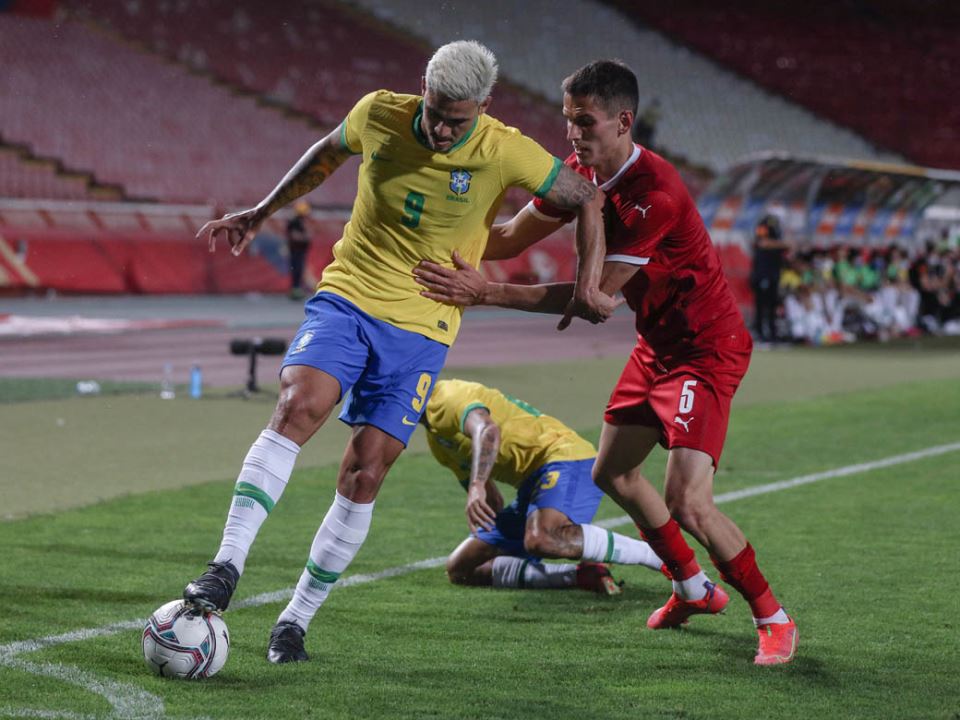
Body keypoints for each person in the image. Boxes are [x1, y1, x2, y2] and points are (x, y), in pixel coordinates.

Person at [186, 40, 611, 664]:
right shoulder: (379, 114)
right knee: (297, 405)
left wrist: (589, 285)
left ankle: (294, 621)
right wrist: (262, 210)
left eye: (457, 120)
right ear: (422, 87)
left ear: (483, 108)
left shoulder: (504, 148)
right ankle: (225, 566)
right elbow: (326, 152)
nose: (441, 128)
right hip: (350, 297)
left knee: (366, 472)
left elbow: (588, 197)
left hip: (422, 331)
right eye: (435, 111)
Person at [414, 60, 798, 665]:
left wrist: (485, 293)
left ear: (622, 122)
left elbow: (592, 300)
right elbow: (512, 234)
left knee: (689, 503)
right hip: (657, 347)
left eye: (585, 123)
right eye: (568, 121)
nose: (573, 135)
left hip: (705, 349)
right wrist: (435, 237)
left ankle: (773, 617)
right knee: (611, 474)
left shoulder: (655, 195)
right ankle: (692, 589)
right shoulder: (581, 172)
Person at [423, 378, 666, 593]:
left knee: (542, 539)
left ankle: (659, 556)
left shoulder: (445, 397)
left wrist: (476, 484)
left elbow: (488, 431)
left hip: (564, 456)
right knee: (462, 567)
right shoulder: (437, 442)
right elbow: (492, 502)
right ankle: (580, 576)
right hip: (532, 485)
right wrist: (499, 539)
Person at [749, 214, 789, 343]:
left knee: (772, 305)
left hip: (774, 274)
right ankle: (759, 333)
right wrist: (783, 244)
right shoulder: (763, 225)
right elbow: (762, 243)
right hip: (762, 274)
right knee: (761, 305)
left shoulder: (778, 227)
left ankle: (772, 334)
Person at [286, 200, 312, 299]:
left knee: (299, 269)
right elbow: (294, 236)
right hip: (295, 250)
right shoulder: (295, 221)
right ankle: (295, 288)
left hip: (300, 250)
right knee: (296, 269)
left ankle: (297, 288)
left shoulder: (301, 221)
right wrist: (305, 237)